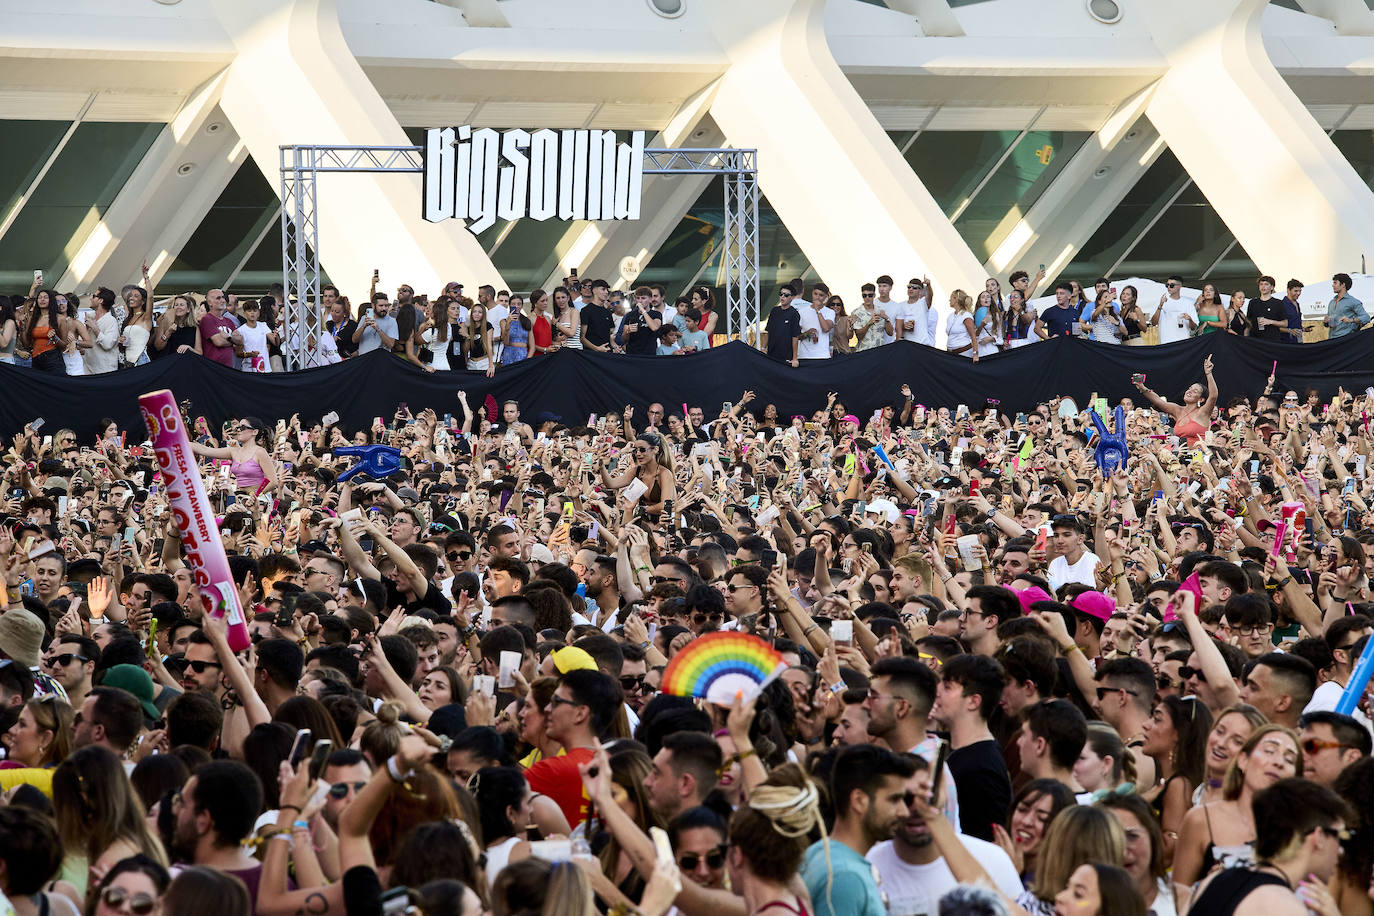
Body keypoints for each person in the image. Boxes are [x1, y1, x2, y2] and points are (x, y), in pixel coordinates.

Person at [1184, 778, 1349, 916]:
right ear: (1319, 837)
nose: (1341, 850)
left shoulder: (1216, 879)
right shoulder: (1283, 907)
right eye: (1340, 836)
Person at [1171, 724, 1301, 899]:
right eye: (1270, 751)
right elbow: (1178, 895)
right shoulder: (1201, 819)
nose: (1278, 762)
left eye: (1289, 760)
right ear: (1243, 760)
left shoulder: (1300, 834)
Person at [802, 744, 914, 916]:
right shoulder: (846, 877)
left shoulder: (819, 852)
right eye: (894, 800)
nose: (904, 812)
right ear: (859, 801)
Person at [930, 654, 1012, 842]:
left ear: (974, 701)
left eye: (947, 687)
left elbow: (986, 847)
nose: (937, 691)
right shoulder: (946, 745)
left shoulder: (983, 768)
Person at [1131, 355, 1216, 446]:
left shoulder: (1203, 412)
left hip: (1198, 456)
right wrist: (1142, 387)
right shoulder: (1177, 410)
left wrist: (1208, 374)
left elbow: (1213, 396)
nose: (1189, 391)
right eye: (1189, 388)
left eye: (1195, 391)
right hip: (1179, 455)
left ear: (1201, 399)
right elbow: (1158, 401)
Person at [1150, 276, 1197, 344]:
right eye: (1167, 285)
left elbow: (1193, 327)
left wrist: (1190, 319)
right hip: (1165, 342)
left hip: (1183, 342)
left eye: (1171, 285)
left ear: (1179, 286)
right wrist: (1160, 306)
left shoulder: (1188, 303)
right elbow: (1154, 323)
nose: (1168, 287)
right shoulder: (1160, 301)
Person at [1324, 271, 1367, 338]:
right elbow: (1329, 324)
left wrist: (1351, 320)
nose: (1333, 285)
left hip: (1346, 340)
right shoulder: (1331, 302)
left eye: (1335, 283)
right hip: (1332, 340)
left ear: (1343, 284)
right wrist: (1326, 322)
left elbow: (1366, 317)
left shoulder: (1353, 301)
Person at [947, 290, 980, 361]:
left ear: (956, 299)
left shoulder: (966, 315)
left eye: (951, 297)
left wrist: (975, 354)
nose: (949, 300)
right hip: (951, 353)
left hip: (964, 353)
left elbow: (973, 336)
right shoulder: (950, 316)